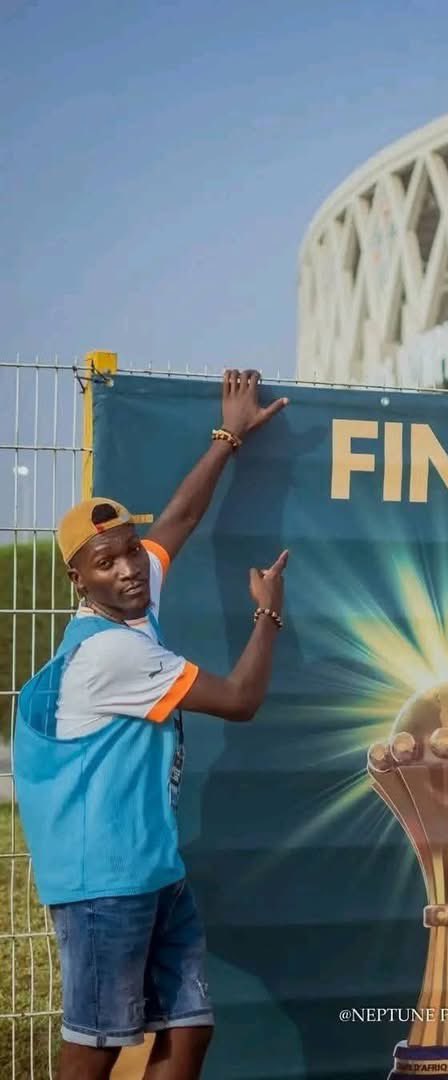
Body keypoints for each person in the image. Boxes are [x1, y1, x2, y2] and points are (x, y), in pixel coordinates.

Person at [14, 370, 289, 1080]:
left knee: (188, 1036)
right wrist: (268, 613)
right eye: (107, 563)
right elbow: (240, 700)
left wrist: (228, 436)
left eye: (130, 551)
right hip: (105, 885)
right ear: (80, 581)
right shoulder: (112, 652)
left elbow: (177, 522)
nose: (131, 569)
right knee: (96, 1047)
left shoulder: (133, 603)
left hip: (155, 873)